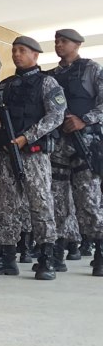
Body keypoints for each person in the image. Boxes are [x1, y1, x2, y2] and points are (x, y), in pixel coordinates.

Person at [0, 36, 65, 280]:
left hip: (33, 155)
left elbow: (56, 115)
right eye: (14, 50)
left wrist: (26, 137)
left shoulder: (47, 83)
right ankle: (7, 256)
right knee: (4, 207)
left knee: (41, 205)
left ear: (35, 55)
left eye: (22, 50)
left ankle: (46, 258)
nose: (16, 54)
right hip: (5, 154)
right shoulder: (5, 85)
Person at [47, 29, 103, 277]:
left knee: (89, 201)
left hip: (85, 144)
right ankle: (57, 252)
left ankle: (100, 251)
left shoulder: (91, 69)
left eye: (64, 41)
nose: (59, 44)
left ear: (78, 44)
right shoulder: (50, 76)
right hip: (58, 144)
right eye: (57, 41)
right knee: (57, 202)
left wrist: (84, 120)